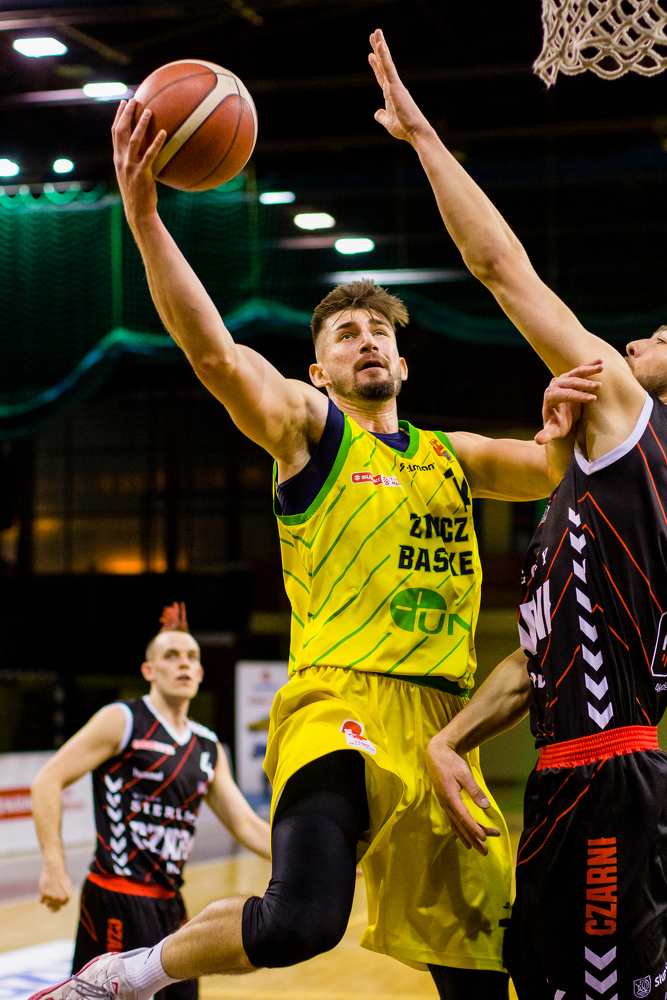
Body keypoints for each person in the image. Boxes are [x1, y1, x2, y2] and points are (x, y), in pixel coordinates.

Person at [26, 32, 596, 1000]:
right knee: (300, 922)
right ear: (317, 370)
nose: (364, 338)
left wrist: (564, 414)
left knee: (477, 974)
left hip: (443, 723)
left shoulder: (452, 457)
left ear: (403, 362)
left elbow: (568, 465)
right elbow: (214, 354)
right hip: (338, 703)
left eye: (378, 330)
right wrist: (145, 215)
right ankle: (125, 973)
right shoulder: (307, 430)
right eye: (343, 333)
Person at [370, 25, 667, 1000]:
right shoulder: (592, 478)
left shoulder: (638, 427)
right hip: (560, 777)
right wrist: (450, 739)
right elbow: (538, 655)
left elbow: (502, 270)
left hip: (611, 780)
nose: (637, 338)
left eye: (661, 335)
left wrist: (423, 139)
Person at [31, 602, 271, 1000]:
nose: (184, 663)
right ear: (149, 670)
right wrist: (54, 866)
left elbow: (247, 825)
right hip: (116, 897)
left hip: (170, 905)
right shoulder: (123, 720)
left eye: (191, 657)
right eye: (171, 655)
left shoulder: (208, 746)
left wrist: (314, 860)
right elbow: (47, 780)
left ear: (200, 672)